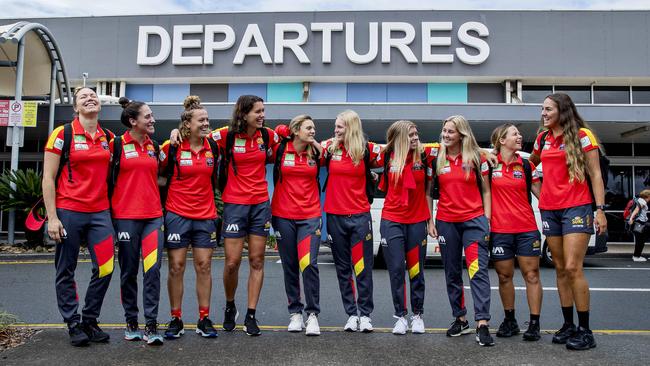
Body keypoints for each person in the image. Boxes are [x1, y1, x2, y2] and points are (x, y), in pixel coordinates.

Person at [530, 92, 607, 351]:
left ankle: (586, 331)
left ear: (562, 110)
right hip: (550, 209)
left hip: (577, 206)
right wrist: (540, 191)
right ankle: (568, 325)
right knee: (560, 268)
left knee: (574, 268)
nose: (543, 113)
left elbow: (595, 174)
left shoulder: (584, 136)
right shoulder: (542, 139)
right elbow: (531, 167)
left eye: (548, 109)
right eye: (542, 109)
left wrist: (599, 209)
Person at [42, 87, 115, 347]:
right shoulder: (62, 134)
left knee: (106, 267)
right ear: (75, 107)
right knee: (66, 269)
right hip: (69, 210)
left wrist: (175, 133)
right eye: (83, 96)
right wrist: (53, 217)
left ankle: (89, 319)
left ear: (100, 105)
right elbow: (48, 178)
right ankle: (73, 323)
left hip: (100, 212)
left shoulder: (109, 137)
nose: (90, 98)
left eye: (93, 95)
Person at [212, 95, 278, 336]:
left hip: (260, 204)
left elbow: (292, 138)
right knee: (231, 263)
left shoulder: (268, 135)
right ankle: (230, 306)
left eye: (263, 111)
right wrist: (178, 134)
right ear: (243, 114)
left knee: (257, 261)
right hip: (234, 205)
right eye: (257, 112)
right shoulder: (225, 135)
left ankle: (251, 314)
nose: (261, 115)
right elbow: (196, 137)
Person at [432, 115, 494, 346]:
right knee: (452, 273)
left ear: (462, 134)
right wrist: (431, 221)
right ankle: (460, 319)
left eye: (451, 132)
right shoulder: (436, 157)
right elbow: (430, 192)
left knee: (477, 270)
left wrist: (486, 219)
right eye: (444, 131)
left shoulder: (477, 158)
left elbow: (487, 191)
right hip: (447, 223)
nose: (446, 135)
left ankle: (482, 323)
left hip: (474, 222)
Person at [161, 96, 219, 339]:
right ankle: (176, 318)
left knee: (204, 267)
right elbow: (155, 175)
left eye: (207, 119)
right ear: (188, 124)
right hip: (177, 213)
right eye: (201, 120)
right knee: (176, 267)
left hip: (205, 215)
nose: (206, 123)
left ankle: (204, 318)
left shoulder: (213, 147)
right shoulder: (171, 147)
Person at [109, 97, 164, 345]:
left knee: (152, 271)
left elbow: (161, 178)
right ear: (133, 121)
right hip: (126, 218)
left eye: (152, 115)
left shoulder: (155, 146)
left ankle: (151, 325)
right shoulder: (116, 145)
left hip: (153, 217)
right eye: (148, 116)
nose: (152, 120)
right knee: (129, 272)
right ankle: (131, 321)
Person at [322, 110, 380, 333]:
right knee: (343, 269)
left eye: (340, 127)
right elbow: (303, 144)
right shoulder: (329, 147)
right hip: (335, 216)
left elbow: (395, 151)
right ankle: (350, 314)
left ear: (352, 127)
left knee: (362, 268)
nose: (335, 131)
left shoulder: (367, 149)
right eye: (335, 126)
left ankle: (365, 315)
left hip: (359, 216)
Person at [377, 120, 435, 335]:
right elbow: (355, 145)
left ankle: (417, 314)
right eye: (410, 134)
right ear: (400, 137)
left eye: (416, 133)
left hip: (417, 220)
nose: (415, 137)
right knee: (395, 271)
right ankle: (400, 316)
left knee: (416, 270)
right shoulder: (385, 155)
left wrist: (430, 220)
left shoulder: (426, 155)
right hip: (392, 219)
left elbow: (463, 146)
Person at [488, 123, 543, 341]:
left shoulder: (527, 166)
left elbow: (542, 194)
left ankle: (535, 323)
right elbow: (470, 150)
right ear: (501, 140)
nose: (519, 136)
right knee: (504, 276)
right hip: (500, 230)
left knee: (532, 275)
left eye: (519, 133)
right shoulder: (489, 164)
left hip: (527, 228)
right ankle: (509, 320)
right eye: (514, 134)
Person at [270, 115, 323, 336]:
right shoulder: (280, 149)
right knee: (290, 265)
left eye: (314, 128)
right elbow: (274, 129)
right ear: (296, 130)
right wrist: (285, 130)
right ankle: (296, 313)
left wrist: (316, 145)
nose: (312, 131)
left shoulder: (318, 152)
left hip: (310, 216)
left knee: (308, 263)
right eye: (308, 128)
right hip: (283, 215)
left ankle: (312, 315)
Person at [627, 189, 650, 262]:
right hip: (639, 223)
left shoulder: (639, 200)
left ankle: (636, 256)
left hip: (640, 223)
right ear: (647, 196)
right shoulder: (642, 201)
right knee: (640, 241)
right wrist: (631, 218)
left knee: (640, 240)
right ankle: (636, 256)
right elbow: (636, 210)